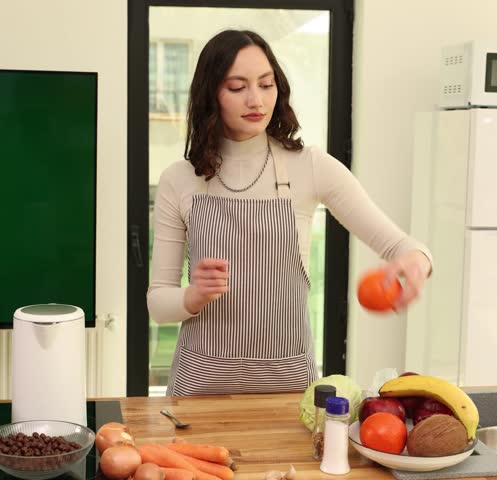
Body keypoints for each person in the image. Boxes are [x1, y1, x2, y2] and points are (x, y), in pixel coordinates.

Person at [147, 30, 433, 396]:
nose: (256, 99)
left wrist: (416, 264)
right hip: (201, 386)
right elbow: (158, 302)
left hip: (287, 383)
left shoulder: (310, 167)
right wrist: (192, 297)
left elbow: (406, 247)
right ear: (210, 95)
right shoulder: (180, 179)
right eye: (237, 87)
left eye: (266, 85)